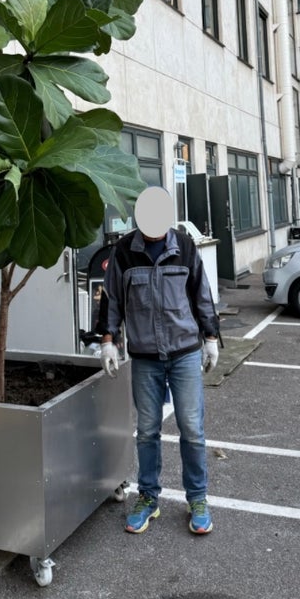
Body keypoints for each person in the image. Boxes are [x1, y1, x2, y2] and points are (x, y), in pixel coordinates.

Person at [98, 187, 220, 535]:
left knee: (192, 429)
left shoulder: (184, 246)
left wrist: (210, 338)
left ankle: (197, 499)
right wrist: (108, 342)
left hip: (184, 353)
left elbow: (201, 293)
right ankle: (148, 497)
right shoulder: (123, 252)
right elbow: (111, 301)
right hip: (145, 358)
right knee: (147, 431)